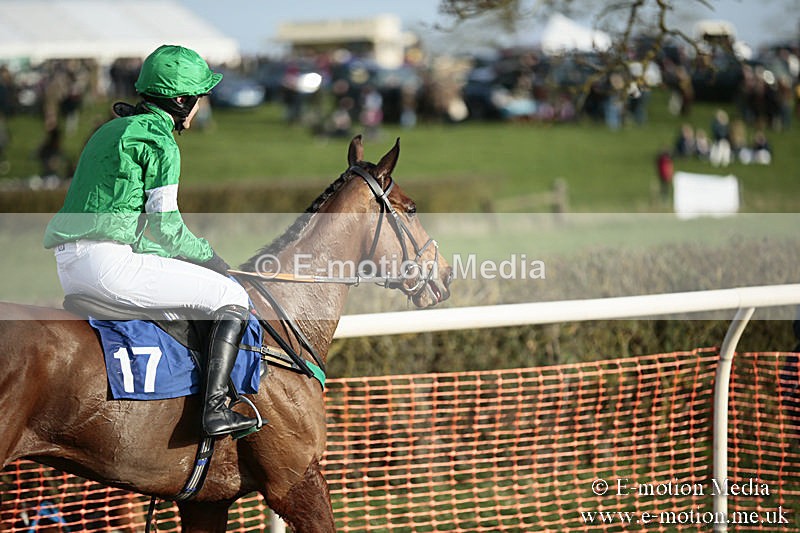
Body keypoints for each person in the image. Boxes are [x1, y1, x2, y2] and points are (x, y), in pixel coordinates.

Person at [43, 45, 257, 438]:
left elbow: (131, 224)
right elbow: (166, 229)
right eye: (199, 98)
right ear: (181, 100)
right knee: (232, 298)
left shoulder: (109, 129)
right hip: (108, 266)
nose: (200, 107)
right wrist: (213, 259)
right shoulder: (161, 142)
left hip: (69, 265)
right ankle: (215, 411)